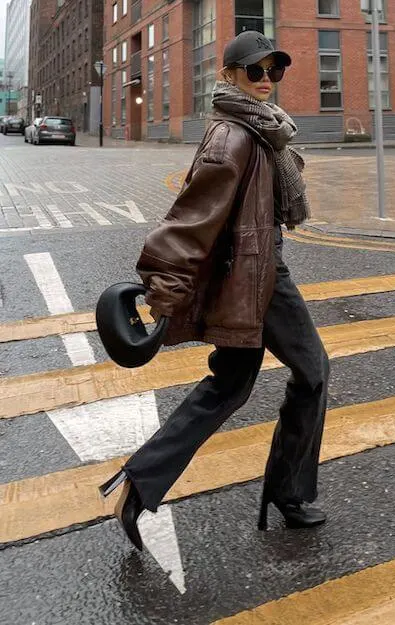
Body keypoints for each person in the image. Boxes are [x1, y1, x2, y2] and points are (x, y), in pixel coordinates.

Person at [100, 30, 330, 551]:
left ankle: (140, 483)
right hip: (256, 276)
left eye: (275, 70)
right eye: (255, 70)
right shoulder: (233, 137)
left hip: (252, 271)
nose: (267, 80)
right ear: (228, 75)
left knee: (229, 385)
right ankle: (289, 494)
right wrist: (163, 286)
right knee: (313, 372)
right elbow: (189, 220)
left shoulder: (262, 130)